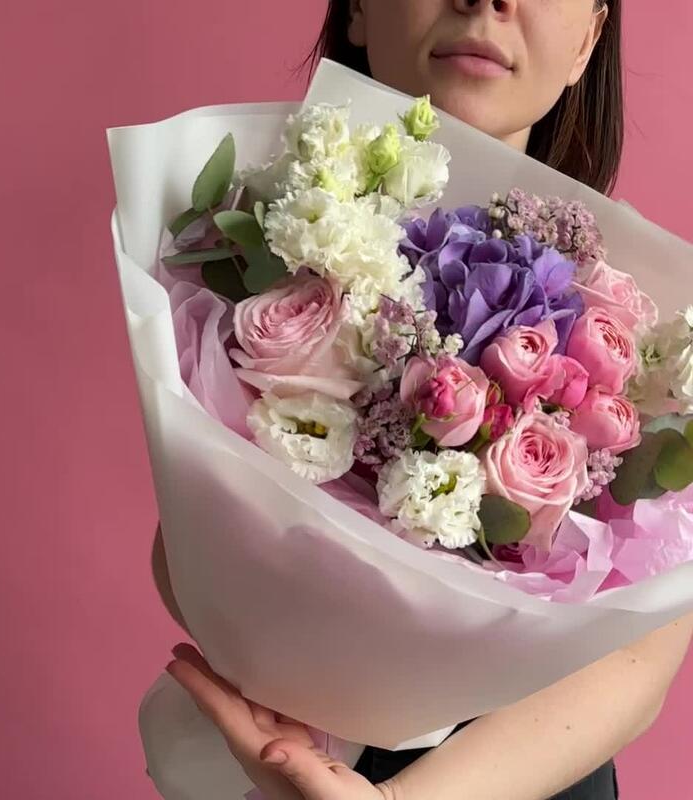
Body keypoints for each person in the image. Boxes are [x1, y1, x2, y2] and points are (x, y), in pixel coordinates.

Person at [161, 2, 693, 798]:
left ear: (588, 37)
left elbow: (638, 657)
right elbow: (183, 546)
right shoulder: (267, 248)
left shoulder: (645, 323)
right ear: (359, 9)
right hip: (284, 760)